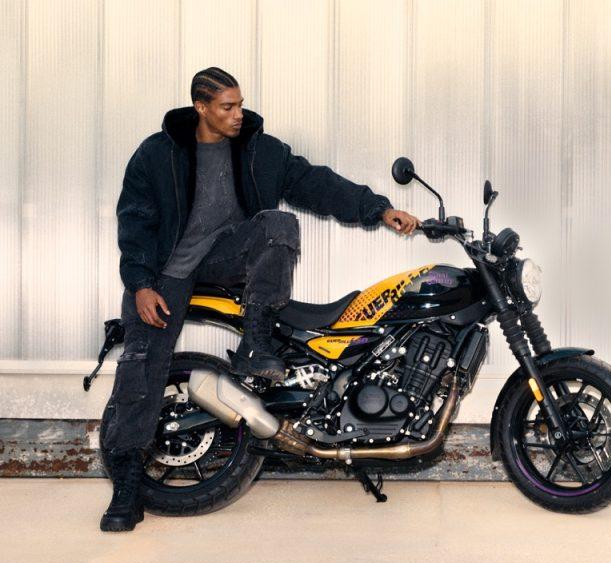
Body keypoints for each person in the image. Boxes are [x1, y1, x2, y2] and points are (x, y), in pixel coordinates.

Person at [99, 67, 420, 532]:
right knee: (142, 368)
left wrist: (380, 209)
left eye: (240, 104)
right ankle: (127, 487)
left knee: (279, 224)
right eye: (226, 107)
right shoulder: (157, 153)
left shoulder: (259, 150)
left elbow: (316, 183)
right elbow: (135, 222)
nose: (237, 114)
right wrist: (140, 284)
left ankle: (256, 342)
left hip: (225, 258)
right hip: (167, 271)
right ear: (201, 108)